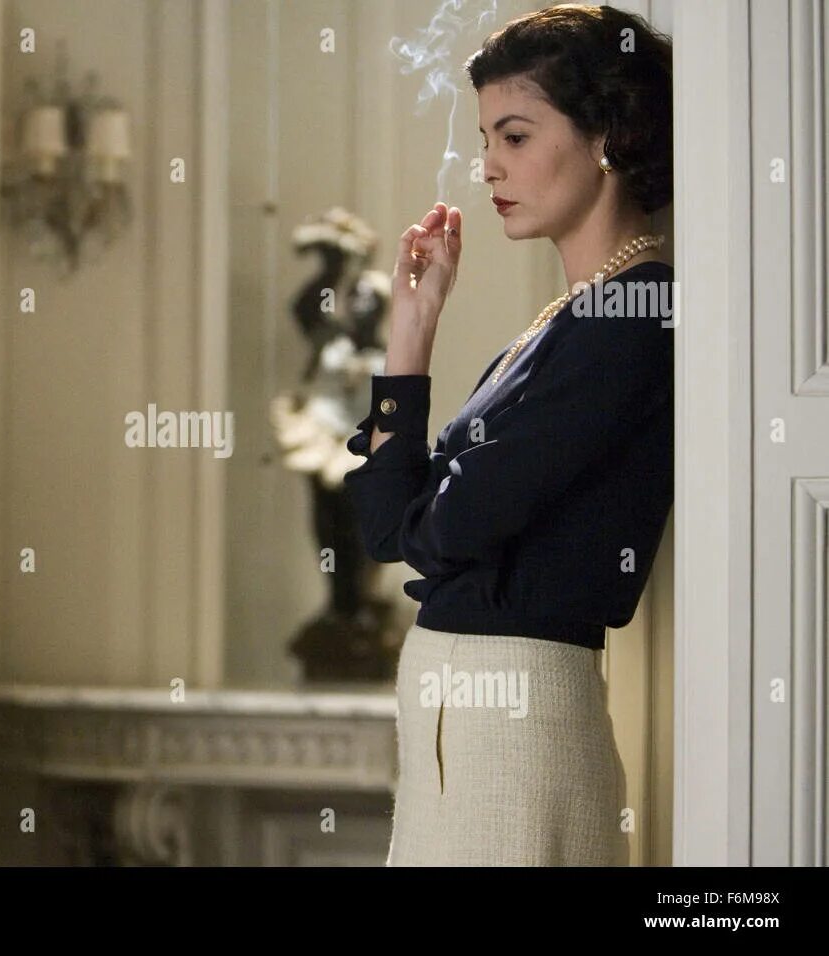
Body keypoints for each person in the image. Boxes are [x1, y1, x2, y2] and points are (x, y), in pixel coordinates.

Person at [344, 3, 674, 866]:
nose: (487, 165)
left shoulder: (637, 315)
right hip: (458, 719)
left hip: (519, 723)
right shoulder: (561, 323)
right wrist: (413, 330)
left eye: (516, 136)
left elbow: (447, 528)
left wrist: (428, 517)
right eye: (486, 138)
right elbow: (387, 529)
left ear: (606, 135)